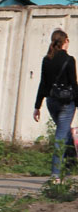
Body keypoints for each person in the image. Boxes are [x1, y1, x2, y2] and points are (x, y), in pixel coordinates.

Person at [34, 28, 77, 183]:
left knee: (64, 133)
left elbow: (43, 84)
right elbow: (74, 84)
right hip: (66, 103)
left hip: (51, 102)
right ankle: (56, 174)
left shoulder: (47, 59)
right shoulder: (69, 60)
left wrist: (37, 106)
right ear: (65, 41)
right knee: (61, 136)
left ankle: (70, 166)